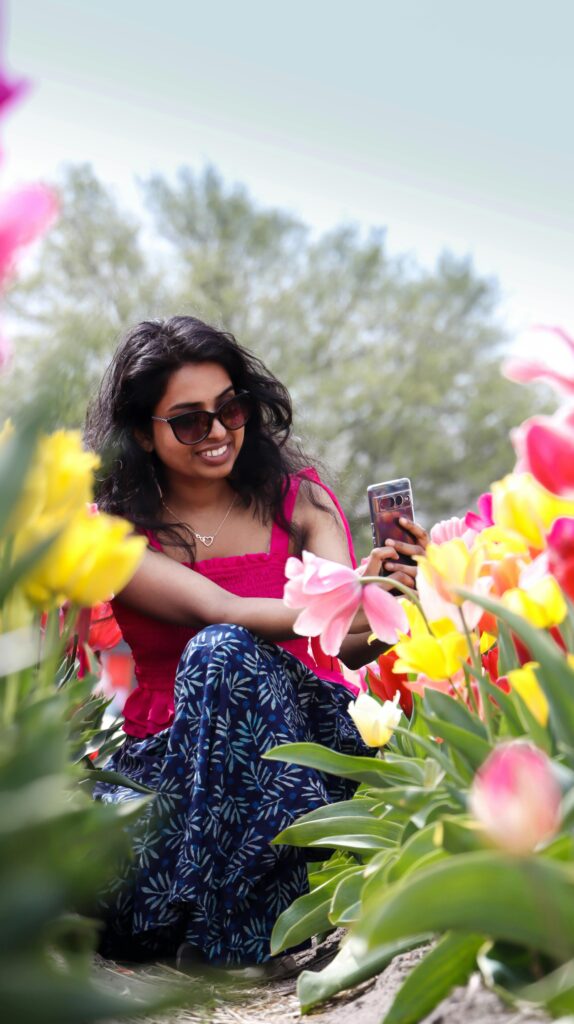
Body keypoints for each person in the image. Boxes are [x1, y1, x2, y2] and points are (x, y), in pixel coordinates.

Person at [86, 315, 427, 970]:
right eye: (189, 421)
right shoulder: (113, 538)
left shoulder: (300, 503)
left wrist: (394, 599)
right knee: (221, 651)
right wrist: (355, 589)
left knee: (225, 656)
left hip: (302, 737)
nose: (217, 433)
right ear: (141, 434)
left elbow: (351, 649)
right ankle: (205, 916)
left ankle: (237, 939)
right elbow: (227, 609)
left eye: (230, 409)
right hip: (177, 757)